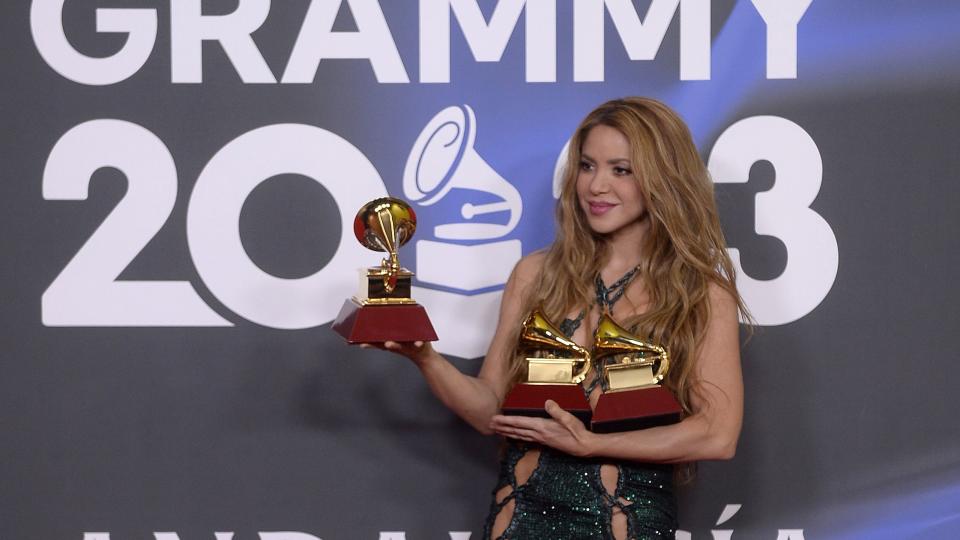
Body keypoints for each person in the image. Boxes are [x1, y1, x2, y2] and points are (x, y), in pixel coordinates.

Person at [363, 97, 749, 539]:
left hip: (625, 522)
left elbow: (717, 434)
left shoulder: (701, 293)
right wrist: (426, 359)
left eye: (620, 169)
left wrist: (593, 446)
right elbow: (492, 410)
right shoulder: (535, 274)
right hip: (519, 516)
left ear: (662, 177)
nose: (596, 186)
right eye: (587, 166)